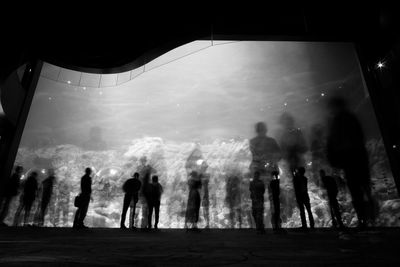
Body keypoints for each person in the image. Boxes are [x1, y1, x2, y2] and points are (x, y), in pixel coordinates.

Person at [326, 96, 375, 228]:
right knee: (364, 188)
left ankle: (363, 219)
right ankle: (370, 219)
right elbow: (359, 138)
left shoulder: (337, 121)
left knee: (356, 190)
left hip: (350, 160)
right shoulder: (350, 118)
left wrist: (335, 160)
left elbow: (333, 143)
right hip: (358, 158)